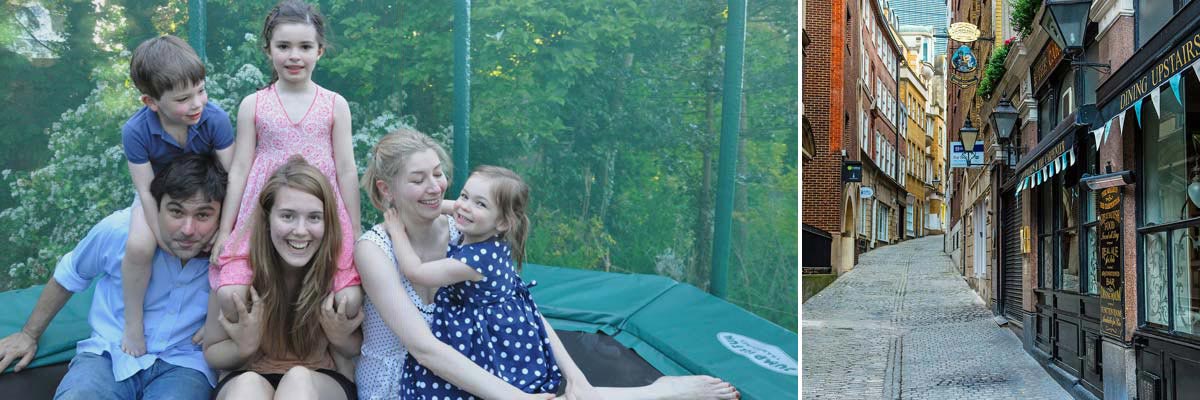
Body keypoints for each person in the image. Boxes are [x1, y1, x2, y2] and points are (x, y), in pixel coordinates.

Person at [354, 129, 739, 400]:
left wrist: (576, 377)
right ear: (386, 190)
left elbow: (518, 304)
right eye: (419, 179)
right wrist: (512, 397)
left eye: (438, 174)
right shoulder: (375, 250)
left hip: (471, 369)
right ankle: (647, 395)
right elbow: (425, 350)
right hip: (404, 384)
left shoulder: (463, 230)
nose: (436, 186)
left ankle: (615, 394)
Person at [0, 154, 228, 400]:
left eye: (203, 216)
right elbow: (69, 275)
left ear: (221, 216)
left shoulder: (233, 250)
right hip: (109, 353)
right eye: (176, 212)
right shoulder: (119, 230)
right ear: (156, 206)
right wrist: (29, 335)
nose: (188, 229)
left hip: (184, 363)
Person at [211, 0, 362, 327]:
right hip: (265, 215)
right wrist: (226, 230)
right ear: (268, 50)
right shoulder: (253, 104)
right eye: (284, 46)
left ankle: (330, 360)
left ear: (320, 51)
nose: (294, 55)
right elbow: (239, 169)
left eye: (305, 46)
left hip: (319, 214)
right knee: (234, 293)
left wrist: (356, 227)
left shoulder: (335, 105)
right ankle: (242, 353)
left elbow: (347, 170)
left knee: (346, 301)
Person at [204, 156, 362, 400]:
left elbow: (363, 346)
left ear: (328, 223)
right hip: (248, 373)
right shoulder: (238, 271)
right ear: (267, 220)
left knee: (297, 380)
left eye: (314, 217)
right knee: (247, 387)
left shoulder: (339, 273)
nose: (300, 231)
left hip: (320, 379)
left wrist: (341, 339)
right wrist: (243, 347)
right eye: (287, 216)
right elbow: (212, 350)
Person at [119, 35, 236, 357]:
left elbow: (234, 176)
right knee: (139, 246)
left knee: (230, 251)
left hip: (208, 195)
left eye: (201, 90)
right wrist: (162, 238)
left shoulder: (215, 119)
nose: (197, 103)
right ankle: (133, 322)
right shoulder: (136, 131)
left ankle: (217, 321)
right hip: (161, 200)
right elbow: (144, 189)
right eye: (184, 98)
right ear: (151, 102)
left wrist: (226, 227)